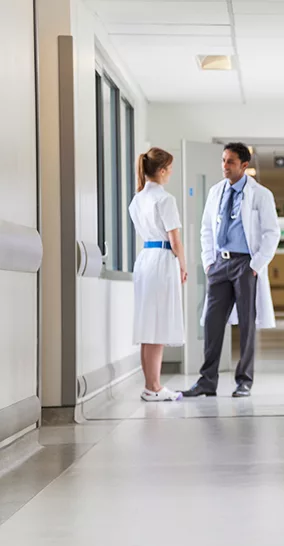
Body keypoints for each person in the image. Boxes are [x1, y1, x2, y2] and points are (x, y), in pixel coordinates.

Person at [182, 142, 280, 398]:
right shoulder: (216, 192)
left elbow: (272, 233)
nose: (225, 166)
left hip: (246, 264)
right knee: (213, 323)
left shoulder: (260, 194)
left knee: (247, 324)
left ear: (244, 166)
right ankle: (206, 381)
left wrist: (256, 265)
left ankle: (244, 380)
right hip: (219, 264)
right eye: (223, 160)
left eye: (230, 162)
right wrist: (208, 262)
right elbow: (206, 228)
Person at [129, 147, 187, 402]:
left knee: (148, 324)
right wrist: (183, 265)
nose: (171, 173)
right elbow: (175, 240)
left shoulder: (137, 199)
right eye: (170, 169)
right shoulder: (165, 199)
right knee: (158, 324)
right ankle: (153, 387)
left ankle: (151, 384)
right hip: (163, 259)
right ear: (162, 170)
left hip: (145, 259)